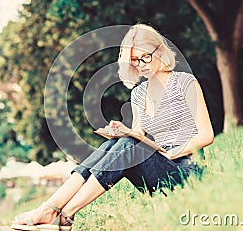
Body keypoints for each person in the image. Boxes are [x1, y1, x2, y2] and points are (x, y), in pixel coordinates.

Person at [11, 23, 214, 230]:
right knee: (121, 143)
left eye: (146, 57)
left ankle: (62, 214)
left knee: (127, 145)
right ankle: (52, 209)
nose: (141, 65)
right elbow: (138, 135)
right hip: (156, 170)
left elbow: (206, 135)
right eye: (134, 61)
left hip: (187, 172)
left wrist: (169, 154)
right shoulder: (139, 93)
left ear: (159, 50)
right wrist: (121, 132)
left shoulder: (185, 83)